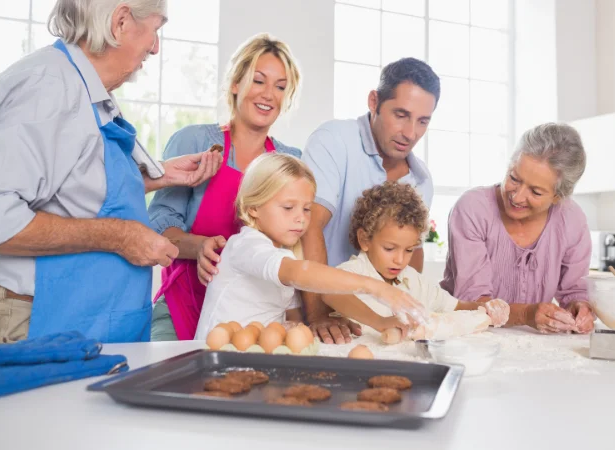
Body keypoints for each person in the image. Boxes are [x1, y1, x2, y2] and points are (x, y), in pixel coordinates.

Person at [0, 0, 222, 344]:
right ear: (121, 22)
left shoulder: (85, 89)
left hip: (73, 323)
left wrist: (160, 176)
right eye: (156, 29)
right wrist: (121, 236)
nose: (155, 47)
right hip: (31, 324)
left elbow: (71, 187)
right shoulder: (50, 89)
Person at [148, 34, 303, 341]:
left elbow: (296, 245)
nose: (269, 94)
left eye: (281, 86)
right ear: (235, 83)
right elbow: (160, 225)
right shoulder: (194, 142)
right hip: (186, 302)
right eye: (259, 81)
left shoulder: (290, 161)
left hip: (255, 317)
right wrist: (198, 247)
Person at [194, 154, 427, 339]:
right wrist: (376, 287)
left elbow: (298, 310)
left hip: (251, 360)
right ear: (253, 207)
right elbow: (297, 273)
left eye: (306, 209)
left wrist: (379, 322)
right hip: (216, 358)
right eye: (288, 208)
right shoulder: (246, 246)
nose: (301, 218)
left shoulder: (285, 252)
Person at [301, 57, 440, 344]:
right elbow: (309, 226)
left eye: (422, 121)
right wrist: (318, 314)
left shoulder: (422, 180)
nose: (411, 133)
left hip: (376, 324)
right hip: (316, 313)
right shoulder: (333, 140)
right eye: (401, 115)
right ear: (374, 101)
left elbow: (411, 252)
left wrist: (407, 311)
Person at [441, 123, 595, 334]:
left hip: (530, 342)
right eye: (514, 178)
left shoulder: (572, 220)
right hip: (465, 336)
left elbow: (574, 292)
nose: (517, 196)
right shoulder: (472, 209)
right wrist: (525, 314)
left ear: (558, 197)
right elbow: (470, 300)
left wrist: (580, 308)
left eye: (536, 192)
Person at [318, 181, 509, 338]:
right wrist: (380, 322)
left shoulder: (414, 281)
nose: (400, 260)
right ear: (365, 239)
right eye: (389, 248)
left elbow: (457, 307)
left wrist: (487, 307)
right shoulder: (353, 271)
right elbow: (330, 292)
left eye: (409, 249)